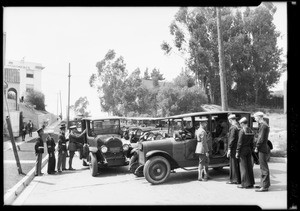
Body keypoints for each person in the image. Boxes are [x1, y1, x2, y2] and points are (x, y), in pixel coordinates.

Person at [236, 117, 255, 189]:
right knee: (249, 166)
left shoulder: (242, 131)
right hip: (249, 149)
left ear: (243, 123)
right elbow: (252, 142)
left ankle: (244, 184)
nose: (240, 125)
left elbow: (240, 142)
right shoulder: (250, 130)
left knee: (243, 167)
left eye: (240, 123)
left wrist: (237, 151)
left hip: (243, 150)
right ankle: (251, 183)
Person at [253, 111, 271, 192]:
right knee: (262, 167)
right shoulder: (263, 124)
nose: (254, 118)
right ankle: (263, 184)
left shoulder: (263, 125)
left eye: (255, 117)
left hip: (262, 148)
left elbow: (261, 138)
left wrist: (257, 146)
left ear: (259, 117)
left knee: (264, 167)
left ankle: (265, 186)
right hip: (263, 148)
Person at [226, 114, 241, 185]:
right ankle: (238, 179)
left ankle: (234, 179)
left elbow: (231, 139)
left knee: (233, 164)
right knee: (237, 163)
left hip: (233, 148)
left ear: (230, 120)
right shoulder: (238, 126)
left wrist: (229, 148)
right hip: (238, 147)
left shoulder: (232, 128)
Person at [195, 117, 210, 181]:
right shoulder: (203, 131)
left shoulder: (198, 130)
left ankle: (201, 176)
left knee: (201, 162)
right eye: (205, 123)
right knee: (205, 162)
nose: (206, 124)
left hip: (199, 147)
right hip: (203, 149)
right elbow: (204, 142)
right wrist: (206, 151)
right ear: (202, 123)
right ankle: (203, 176)